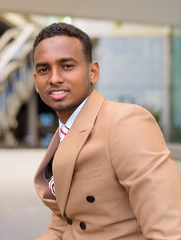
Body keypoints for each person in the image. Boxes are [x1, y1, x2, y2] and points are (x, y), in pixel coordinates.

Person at [32, 22, 181, 239]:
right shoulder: (64, 133)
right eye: (44, 69)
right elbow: (63, 224)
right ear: (36, 82)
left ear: (93, 72)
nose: (54, 78)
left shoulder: (125, 122)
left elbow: (167, 230)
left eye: (67, 66)